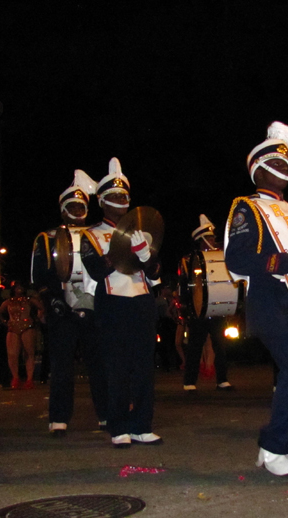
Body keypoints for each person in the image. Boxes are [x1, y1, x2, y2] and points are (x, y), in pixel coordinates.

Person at [224, 121, 288, 478]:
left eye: (287, 164)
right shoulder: (246, 208)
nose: (286, 169)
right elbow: (237, 259)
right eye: (277, 164)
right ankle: (272, 447)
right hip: (271, 299)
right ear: (259, 168)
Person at [81, 157, 163, 448]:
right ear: (102, 201)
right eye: (114, 196)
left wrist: (146, 255)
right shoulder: (90, 235)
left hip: (141, 302)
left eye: (124, 196)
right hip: (112, 304)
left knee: (142, 368)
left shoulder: (142, 230)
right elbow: (96, 269)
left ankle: (142, 424)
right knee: (115, 369)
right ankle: (118, 426)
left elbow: (155, 274)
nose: (121, 201)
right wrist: (123, 249)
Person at [32, 169, 111, 437]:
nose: (78, 210)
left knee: (99, 364)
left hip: (94, 307)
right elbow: (39, 277)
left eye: (81, 205)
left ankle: (106, 414)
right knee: (62, 367)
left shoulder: (97, 235)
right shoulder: (47, 237)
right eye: (73, 206)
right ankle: (59, 418)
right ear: (63, 208)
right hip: (62, 309)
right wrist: (50, 299)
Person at [182, 215, 235, 392]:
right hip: (198, 309)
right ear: (201, 240)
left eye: (213, 237)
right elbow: (186, 286)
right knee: (195, 346)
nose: (213, 240)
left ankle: (222, 380)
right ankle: (189, 381)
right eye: (209, 237)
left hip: (216, 307)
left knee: (220, 344)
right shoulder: (189, 260)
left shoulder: (221, 258)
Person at [0, 282, 44, 390]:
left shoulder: (29, 300)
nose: (19, 289)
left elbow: (41, 308)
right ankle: (15, 377)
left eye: (21, 286)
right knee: (12, 354)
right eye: (17, 287)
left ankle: (29, 379)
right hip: (12, 328)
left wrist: (37, 318)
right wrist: (5, 322)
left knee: (29, 352)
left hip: (27, 326)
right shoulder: (9, 301)